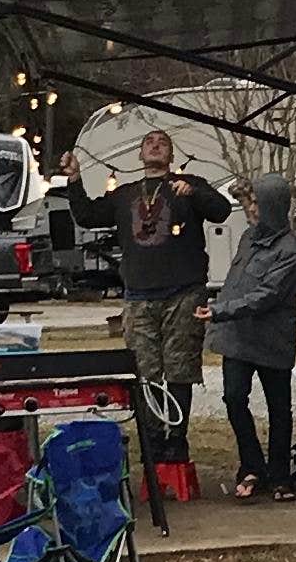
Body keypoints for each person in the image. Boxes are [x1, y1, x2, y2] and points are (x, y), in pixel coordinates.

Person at [60, 129, 232, 478]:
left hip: (183, 292)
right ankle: (152, 441)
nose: (155, 146)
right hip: (139, 295)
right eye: (149, 142)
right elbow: (89, 216)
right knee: (145, 373)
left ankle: (177, 439)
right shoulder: (124, 195)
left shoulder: (187, 184)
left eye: (162, 143)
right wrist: (75, 180)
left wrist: (194, 193)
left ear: (171, 155)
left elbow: (222, 211)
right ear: (139, 155)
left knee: (180, 369)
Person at [208, 173, 296, 496]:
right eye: (250, 202)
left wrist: (220, 311)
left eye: (257, 204)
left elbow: (267, 295)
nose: (251, 209)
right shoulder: (248, 238)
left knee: (280, 407)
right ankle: (251, 466)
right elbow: (237, 280)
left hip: (272, 339)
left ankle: (280, 475)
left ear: (274, 208)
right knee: (234, 398)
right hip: (237, 337)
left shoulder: (291, 252)